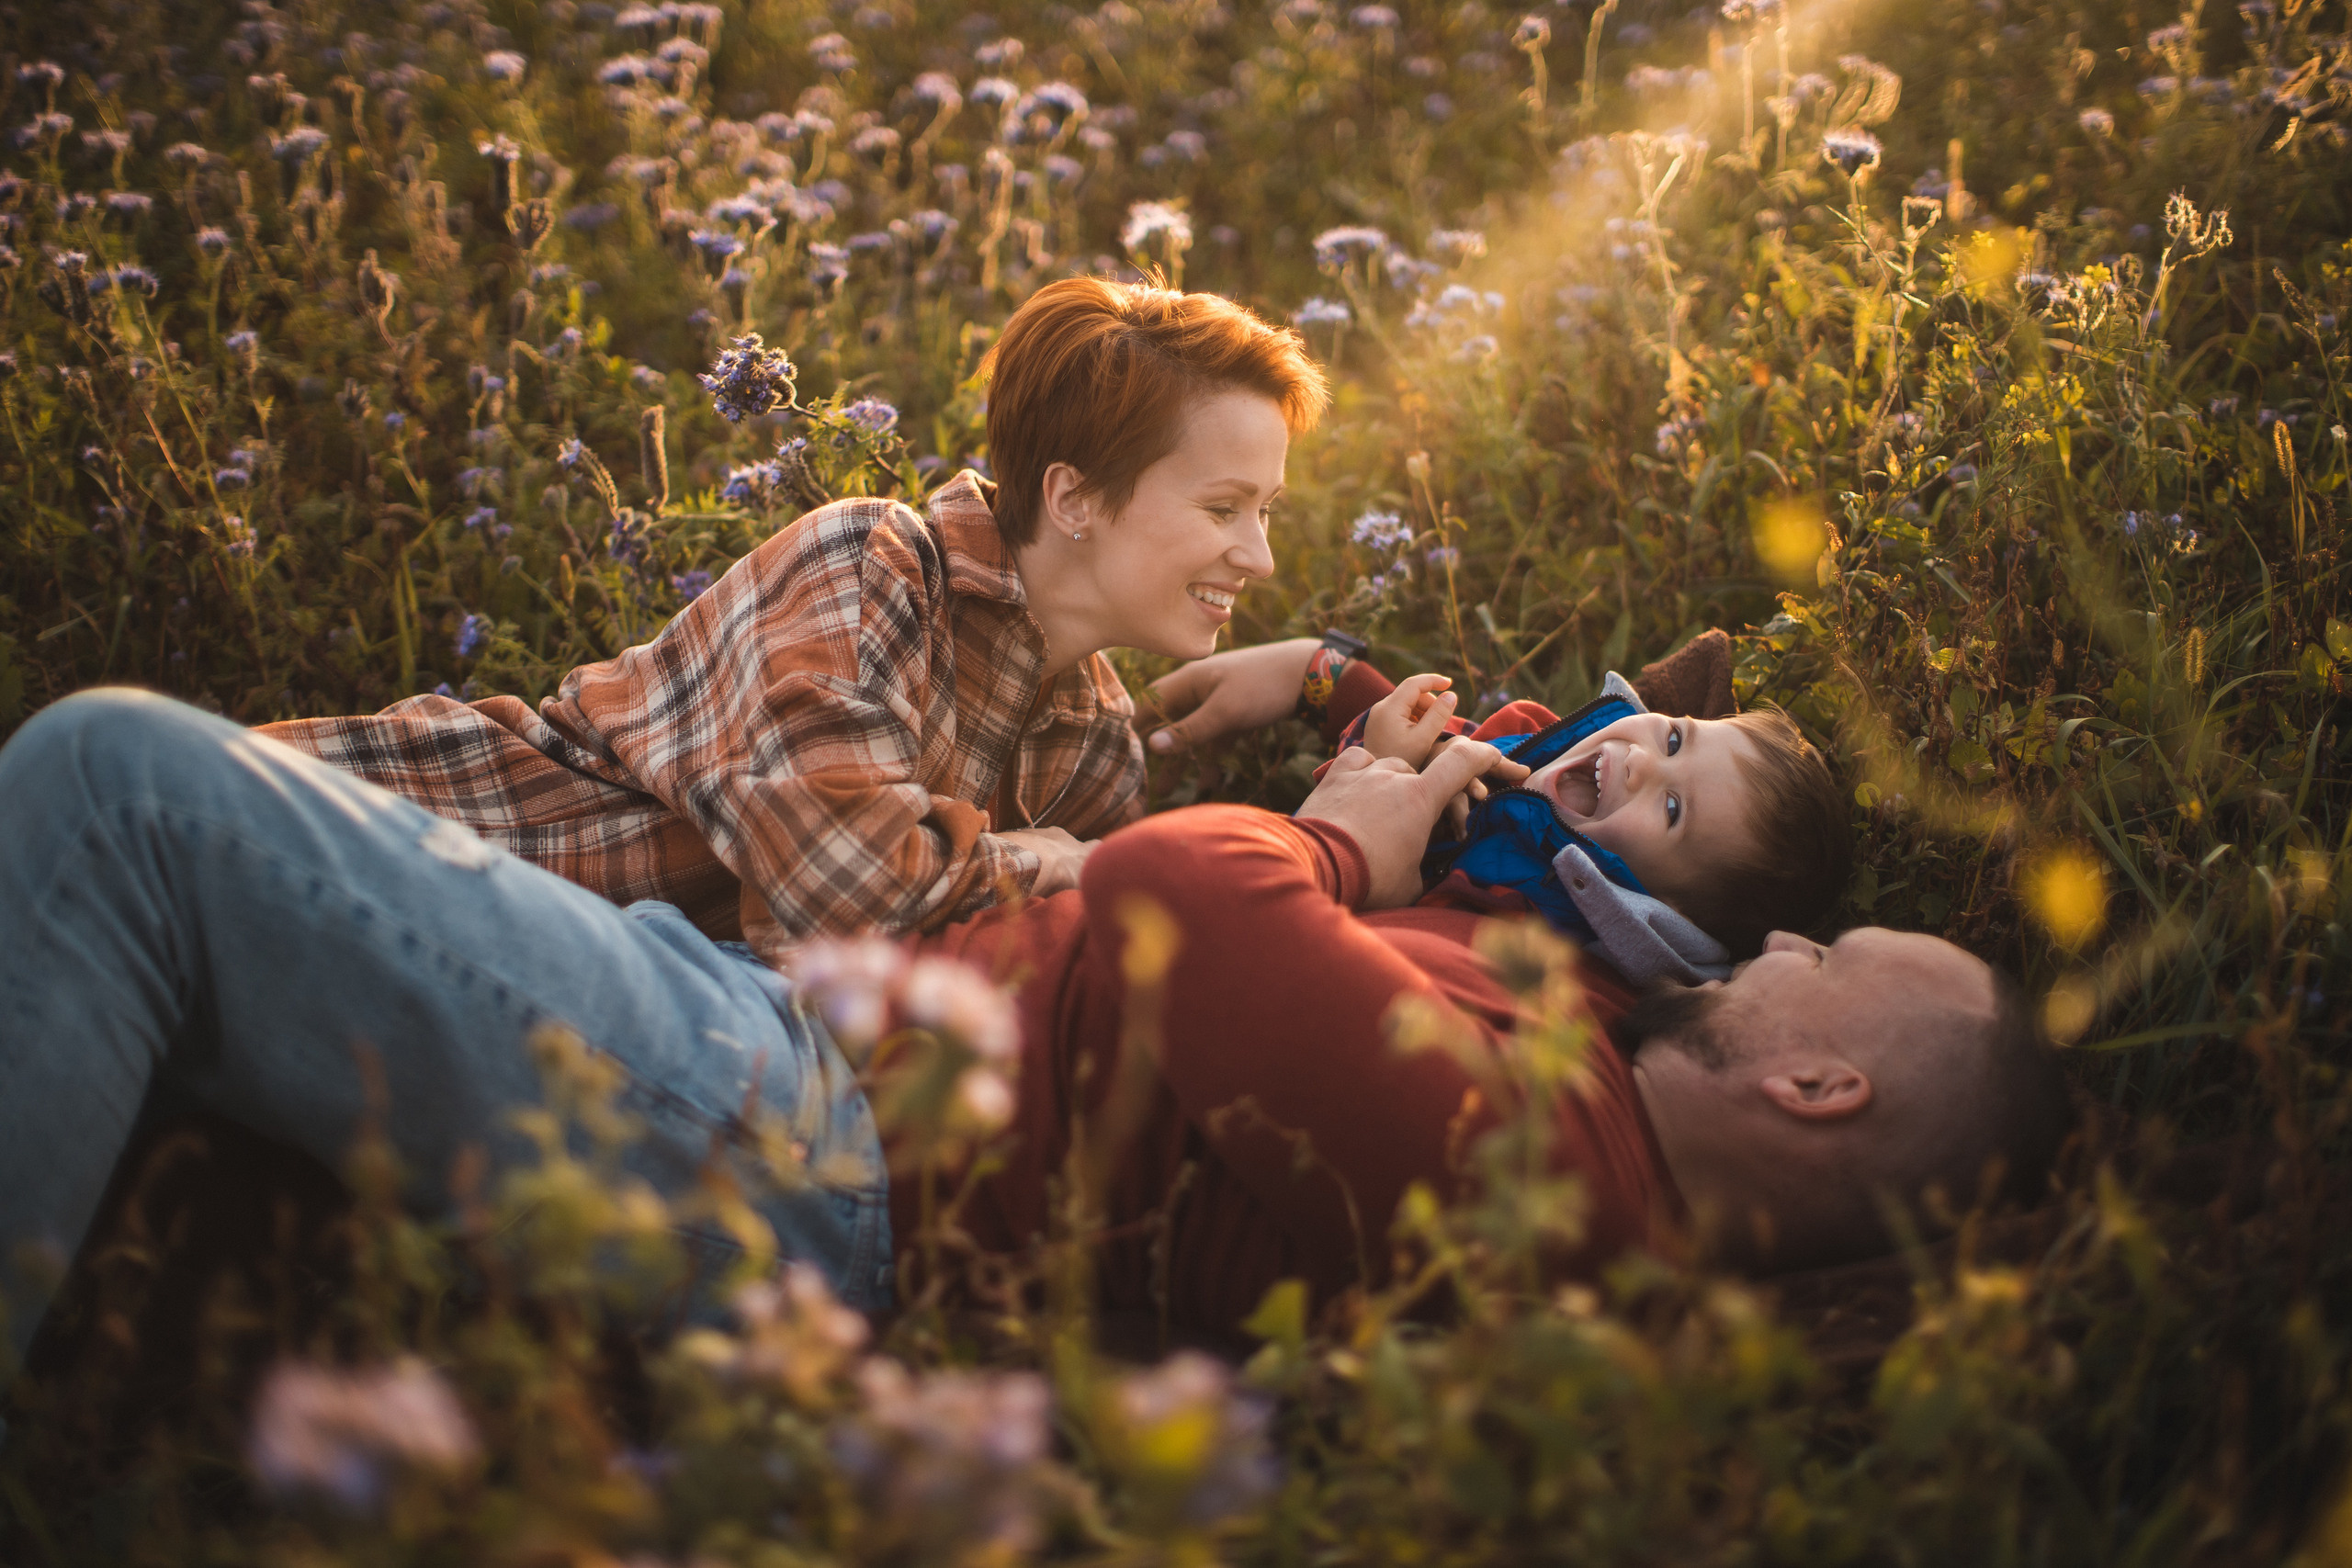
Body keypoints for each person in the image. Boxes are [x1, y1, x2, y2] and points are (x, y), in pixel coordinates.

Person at [0, 685, 2069, 1367]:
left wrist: (1335, 844)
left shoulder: (1534, 1168)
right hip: (788, 1049)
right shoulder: (1566, 1065)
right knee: (152, 905)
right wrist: (1479, 790)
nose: (1779, 941)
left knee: (117, 789)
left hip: (796, 1137)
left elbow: (1179, 889)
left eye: (1830, 948)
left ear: (1820, 1079)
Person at [264, 276, 1329, 957]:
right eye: (1223, 508)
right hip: (360, 850)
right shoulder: (872, 567)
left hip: (513, 1022)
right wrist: (1054, 862)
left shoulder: (1092, 752)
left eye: (1266, 510)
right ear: (1074, 499)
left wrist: (1325, 680)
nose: (1259, 553)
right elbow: (844, 906)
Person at [1329, 662, 1851, 980]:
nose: (1642, 760)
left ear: (1664, 908)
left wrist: (1377, 784)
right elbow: (1369, 760)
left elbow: (1361, 936)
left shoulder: (1524, 927)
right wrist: (1393, 753)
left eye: (1673, 809)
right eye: (1673, 739)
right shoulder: (1525, 733)